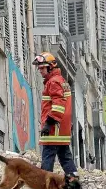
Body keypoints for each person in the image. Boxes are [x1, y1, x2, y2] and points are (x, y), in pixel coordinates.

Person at [32, 52, 80, 180]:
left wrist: (48, 123)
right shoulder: (62, 81)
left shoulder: (53, 82)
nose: (40, 71)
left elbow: (58, 104)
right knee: (65, 157)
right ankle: (75, 185)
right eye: (39, 68)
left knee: (47, 158)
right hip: (62, 129)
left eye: (42, 68)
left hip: (54, 129)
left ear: (51, 67)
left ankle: (43, 187)